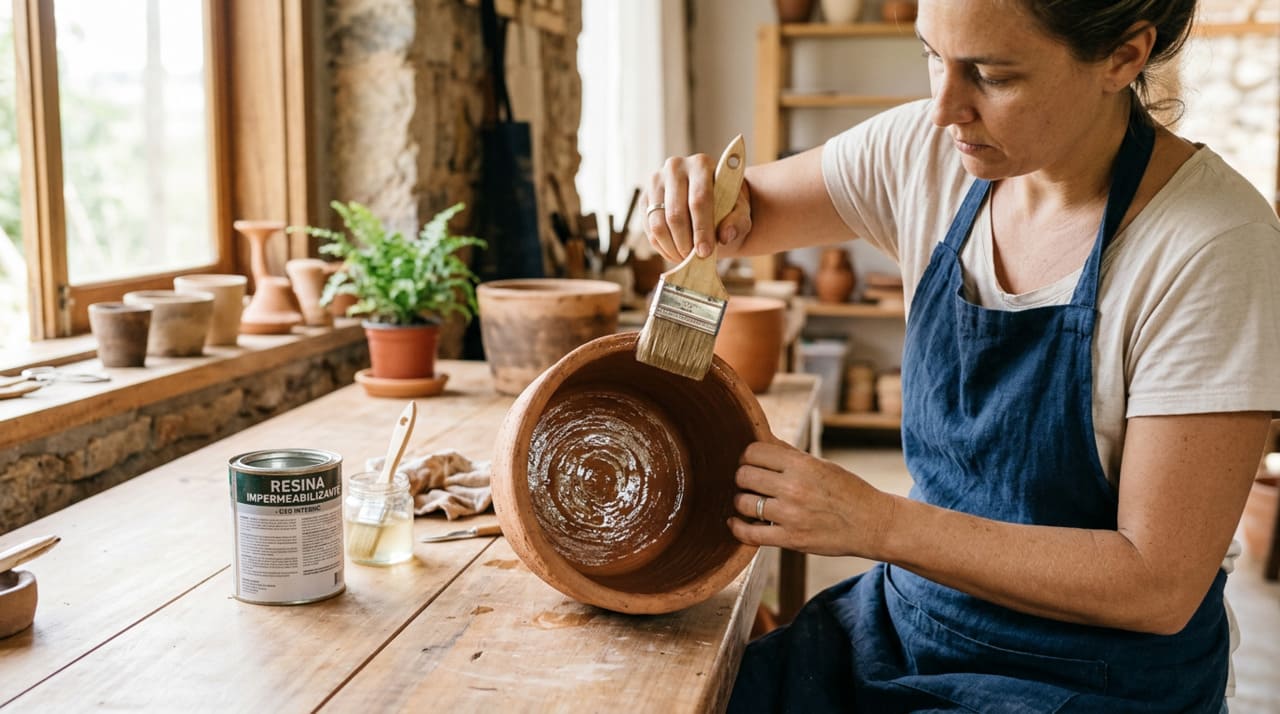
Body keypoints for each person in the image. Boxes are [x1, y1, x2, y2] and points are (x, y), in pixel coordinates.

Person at [643, 1, 1280, 711]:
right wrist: (695, 202)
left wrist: (876, 523)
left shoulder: (1212, 245)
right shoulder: (927, 151)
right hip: (911, 623)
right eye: (931, 55)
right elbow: (745, 213)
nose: (944, 108)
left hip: (1092, 677)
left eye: (992, 75)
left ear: (1123, 57)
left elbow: (1156, 585)